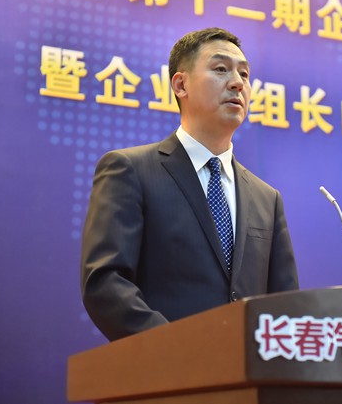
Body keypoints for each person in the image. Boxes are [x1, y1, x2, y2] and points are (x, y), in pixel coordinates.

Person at [80, 27, 299, 341]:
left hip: (249, 370)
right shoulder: (131, 170)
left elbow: (285, 307)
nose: (237, 83)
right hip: (166, 366)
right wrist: (180, 351)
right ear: (181, 85)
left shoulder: (267, 199)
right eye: (221, 69)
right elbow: (106, 282)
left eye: (244, 74)